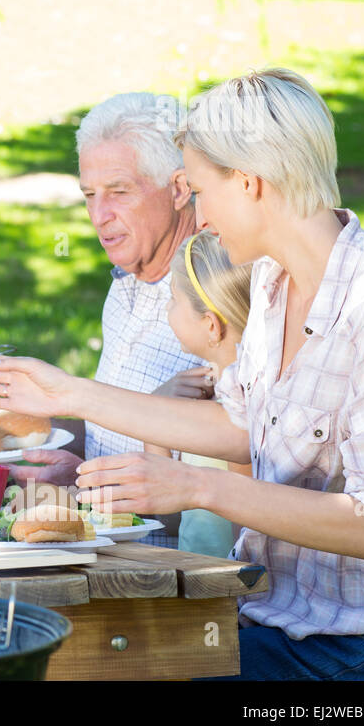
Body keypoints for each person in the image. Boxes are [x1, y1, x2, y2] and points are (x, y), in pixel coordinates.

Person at [0, 68, 364, 680]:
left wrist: (195, 487)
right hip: (269, 618)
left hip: (362, 649)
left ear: (251, 183)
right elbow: (238, 424)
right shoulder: (271, 279)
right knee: (68, 665)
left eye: (200, 190)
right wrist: (70, 394)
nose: (198, 218)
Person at [10, 91, 203, 547]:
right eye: (89, 195)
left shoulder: (216, 297)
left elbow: (213, 488)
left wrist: (82, 490)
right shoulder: (124, 284)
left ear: (179, 189)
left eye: (119, 192)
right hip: (101, 542)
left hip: (170, 568)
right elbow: (112, 424)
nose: (99, 216)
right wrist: (59, 450)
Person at [142, 230, 255, 557]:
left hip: (226, 596)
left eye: (175, 299)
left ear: (210, 325)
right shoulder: (213, 395)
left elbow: (246, 539)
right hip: (202, 586)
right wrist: (159, 414)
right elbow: (167, 514)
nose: (168, 308)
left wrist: (158, 413)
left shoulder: (239, 411)